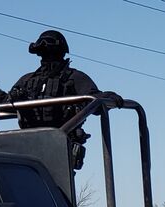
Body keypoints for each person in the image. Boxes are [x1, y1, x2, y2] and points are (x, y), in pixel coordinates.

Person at [9, 30, 100, 168]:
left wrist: (109, 97)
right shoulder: (28, 80)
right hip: (29, 144)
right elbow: (4, 105)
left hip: (61, 144)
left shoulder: (74, 78)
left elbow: (96, 101)